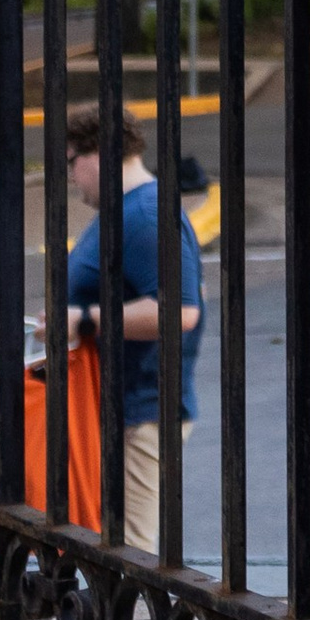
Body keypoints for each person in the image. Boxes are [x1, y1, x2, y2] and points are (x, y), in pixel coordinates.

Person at [60, 104, 202, 555]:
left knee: (129, 553)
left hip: (142, 411)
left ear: (96, 153)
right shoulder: (123, 209)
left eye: (69, 163)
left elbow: (178, 312)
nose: (69, 176)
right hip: (115, 404)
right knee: (109, 543)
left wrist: (85, 319)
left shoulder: (143, 214)